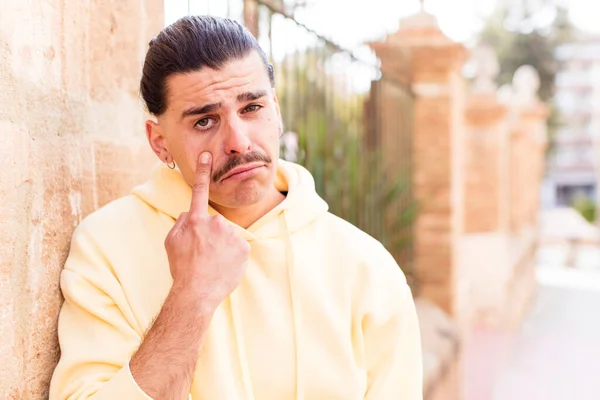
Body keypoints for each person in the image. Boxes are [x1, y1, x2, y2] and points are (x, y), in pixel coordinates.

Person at [49, 15, 422, 400]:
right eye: (205, 120)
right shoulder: (106, 247)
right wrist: (191, 295)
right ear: (159, 142)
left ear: (275, 110)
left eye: (251, 108)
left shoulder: (365, 265)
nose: (239, 142)